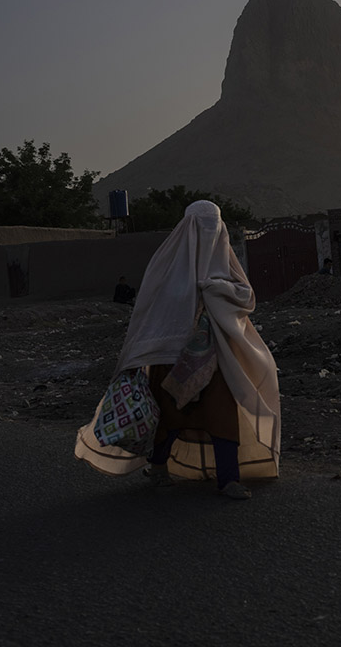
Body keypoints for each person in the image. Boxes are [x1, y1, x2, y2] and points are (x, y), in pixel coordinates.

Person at [76, 201, 281, 499]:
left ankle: (228, 479)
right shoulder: (166, 268)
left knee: (222, 416)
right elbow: (150, 314)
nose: (209, 234)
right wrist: (138, 356)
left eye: (214, 227)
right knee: (169, 420)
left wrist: (217, 289)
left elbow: (246, 299)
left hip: (217, 360)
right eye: (203, 227)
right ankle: (159, 468)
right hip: (170, 358)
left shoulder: (226, 267)